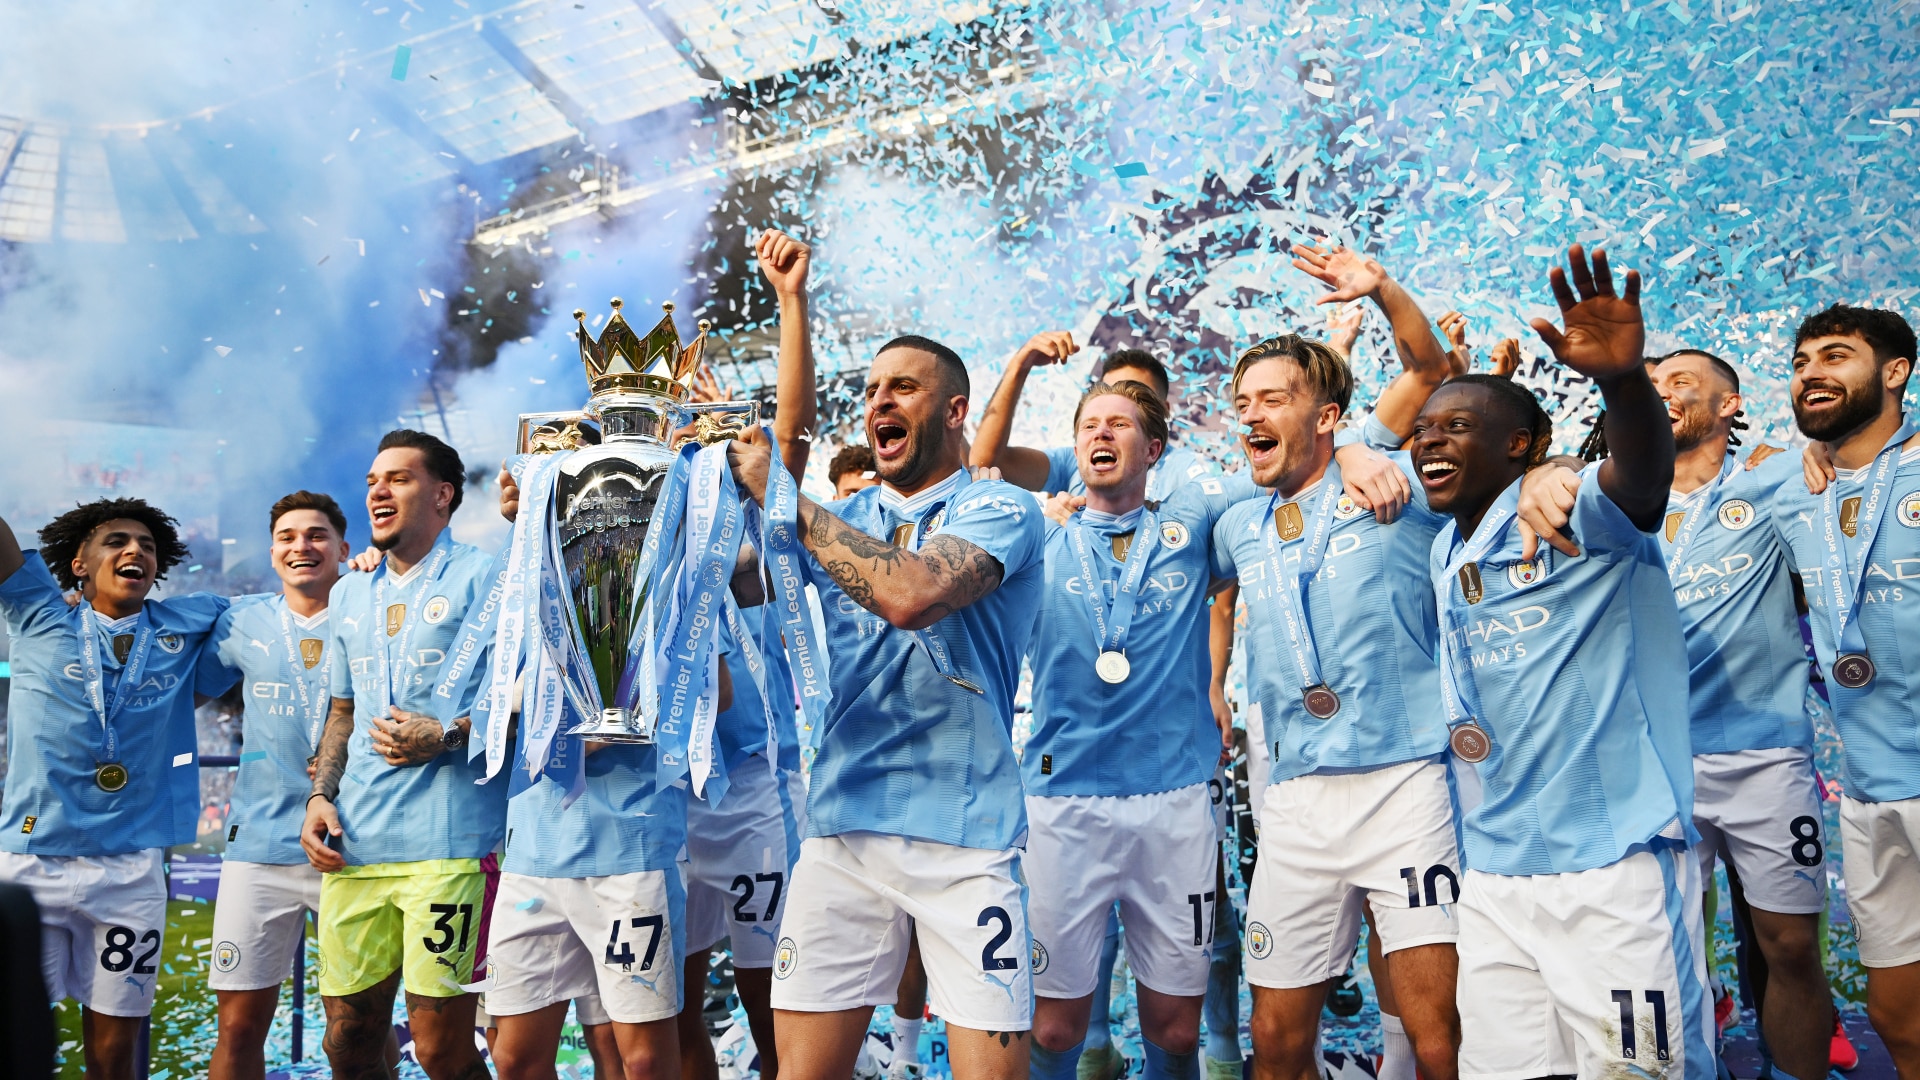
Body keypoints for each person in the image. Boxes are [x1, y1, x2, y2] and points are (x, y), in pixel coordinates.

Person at [1414, 246, 1709, 1080]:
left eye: (1456, 426)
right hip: (1499, 877)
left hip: (1612, 871)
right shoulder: (1447, 549)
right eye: (1422, 431)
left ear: (1521, 444)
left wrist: (1622, 384)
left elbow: (1644, 484)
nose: (1429, 440)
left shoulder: (1567, 506)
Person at [726, 332, 1046, 1080]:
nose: (879, 403)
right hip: (844, 835)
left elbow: (912, 594)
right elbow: (726, 586)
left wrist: (785, 499)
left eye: (902, 388)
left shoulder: (1000, 507)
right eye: (872, 392)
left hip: (967, 837)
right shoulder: (838, 515)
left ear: (955, 410)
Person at [1515, 349, 1833, 1080]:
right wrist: (1543, 469)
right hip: (1652, 762)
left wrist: (1819, 447)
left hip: (1762, 755)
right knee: (1662, 946)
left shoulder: (1777, 478)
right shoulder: (1607, 498)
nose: (1660, 394)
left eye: (1681, 383)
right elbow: (1547, 479)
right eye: (1651, 385)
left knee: (1788, 947)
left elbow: (1858, 458)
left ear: (1730, 404)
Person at [1207, 270, 1463, 1080]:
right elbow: (1211, 593)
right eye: (1243, 400)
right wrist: (1213, 686)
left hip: (1407, 785)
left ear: (1323, 418)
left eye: (1272, 398)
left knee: (1438, 1037)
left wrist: (1383, 290)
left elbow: (1430, 371)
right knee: (1278, 1043)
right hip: (1294, 799)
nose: (1250, 413)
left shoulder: (1390, 479)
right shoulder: (1236, 521)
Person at [1020, 379, 1239, 1080]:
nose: (1101, 435)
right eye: (1089, 425)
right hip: (1061, 807)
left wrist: (1360, 458)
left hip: (1173, 804)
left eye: (1119, 424)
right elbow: (978, 460)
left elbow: (1289, 488)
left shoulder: (1192, 528)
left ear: (1155, 450)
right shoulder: (1039, 535)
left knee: (1176, 1031)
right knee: (1053, 1029)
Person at [0, 499, 235, 1080]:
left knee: (114, 1055)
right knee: (18, 1040)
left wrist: (350, 574)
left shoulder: (186, 626)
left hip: (130, 873)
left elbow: (287, 608)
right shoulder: (39, 614)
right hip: (31, 865)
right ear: (78, 564)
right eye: (116, 541)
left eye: (148, 546)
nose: (135, 550)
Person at [300, 429, 508, 1080]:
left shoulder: (486, 579)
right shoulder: (350, 592)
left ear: (442, 495)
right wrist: (319, 796)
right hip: (357, 847)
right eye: (371, 482)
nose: (377, 492)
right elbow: (341, 709)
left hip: (450, 851)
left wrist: (445, 735)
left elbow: (521, 700)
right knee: (348, 1037)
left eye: (398, 478)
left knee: (442, 1048)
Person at [1764, 304, 1920, 1078]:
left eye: (1835, 356)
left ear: (1895, 372)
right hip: (1869, 792)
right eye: (1800, 362)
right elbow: (1651, 473)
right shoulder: (1789, 487)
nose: (1812, 372)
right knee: (1895, 1015)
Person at [678, 227, 816, 1080]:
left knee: (772, 1011)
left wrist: (789, 302)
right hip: (678, 792)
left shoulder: (766, 522)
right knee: (673, 998)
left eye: (709, 427)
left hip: (762, 791)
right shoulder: (657, 533)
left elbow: (791, 434)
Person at [205, 491, 395, 1080]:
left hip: (354, 848)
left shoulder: (378, 604)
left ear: (344, 547)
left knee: (359, 1033)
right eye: (288, 537)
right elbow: (181, 688)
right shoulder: (239, 620)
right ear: (272, 552)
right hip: (258, 848)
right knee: (237, 1029)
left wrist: (378, 572)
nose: (301, 546)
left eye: (316, 535)